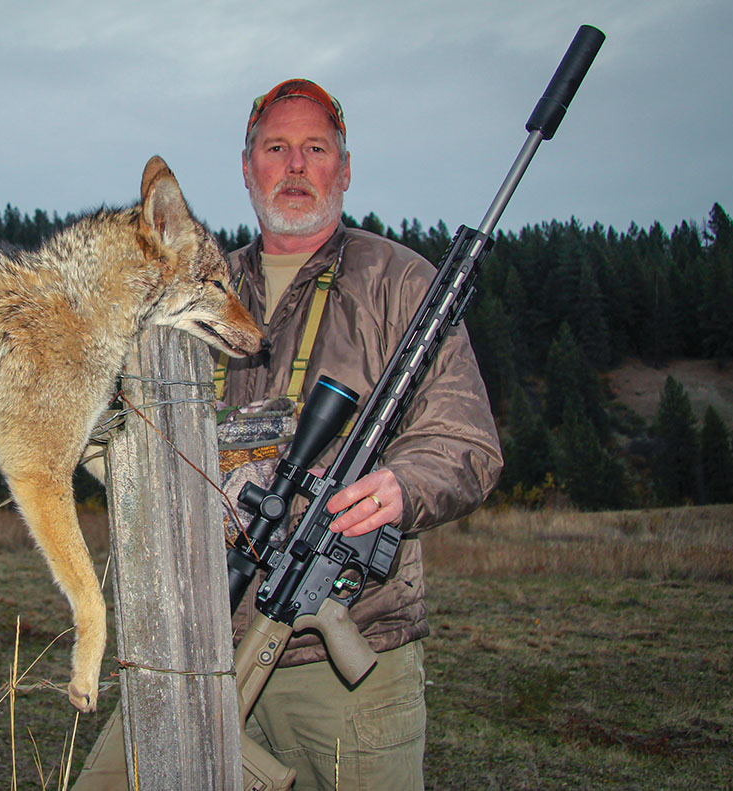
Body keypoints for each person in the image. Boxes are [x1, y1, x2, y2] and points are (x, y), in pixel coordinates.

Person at [75, 78, 503, 791]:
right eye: (276, 147)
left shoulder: (401, 283)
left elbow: (466, 440)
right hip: (192, 640)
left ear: (344, 167)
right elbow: (112, 429)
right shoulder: (195, 286)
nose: (296, 165)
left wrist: (402, 484)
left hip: (345, 661)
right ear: (249, 168)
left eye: (315, 148)